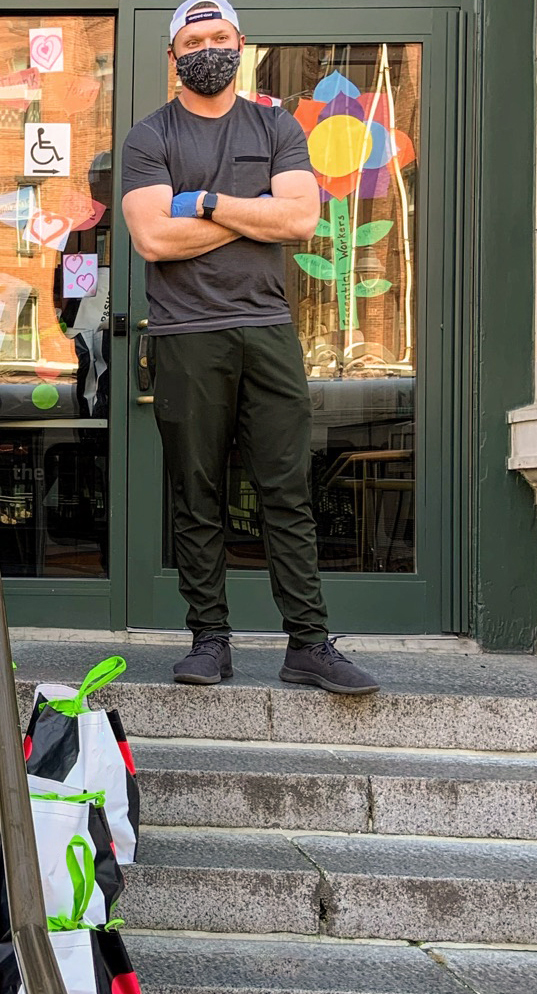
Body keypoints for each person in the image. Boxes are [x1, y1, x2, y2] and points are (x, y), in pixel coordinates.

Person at [121, 0, 379, 695]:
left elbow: (299, 218)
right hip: (184, 334)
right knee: (197, 492)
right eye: (194, 40)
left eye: (219, 37)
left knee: (286, 490)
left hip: (267, 330)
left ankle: (308, 642)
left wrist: (202, 203)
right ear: (173, 56)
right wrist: (253, 213)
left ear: (241, 45)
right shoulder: (149, 137)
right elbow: (151, 238)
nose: (209, 49)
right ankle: (209, 639)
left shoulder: (275, 125)